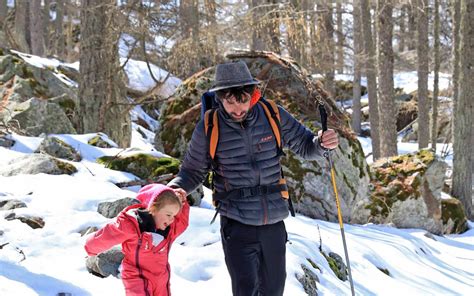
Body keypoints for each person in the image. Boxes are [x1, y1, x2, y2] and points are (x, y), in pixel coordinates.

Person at [167, 60, 339, 296]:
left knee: (273, 291)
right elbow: (192, 171)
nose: (238, 109)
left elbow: (305, 146)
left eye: (243, 101)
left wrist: (321, 143)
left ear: (252, 94)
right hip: (237, 224)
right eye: (230, 102)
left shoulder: (273, 114)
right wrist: (173, 191)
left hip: (274, 224)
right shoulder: (209, 127)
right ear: (219, 98)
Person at [84, 184, 189, 296]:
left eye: (174, 215)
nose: (172, 219)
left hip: (160, 278)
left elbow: (182, 223)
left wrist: (183, 202)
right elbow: (108, 235)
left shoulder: (169, 231)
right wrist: (90, 247)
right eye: (168, 214)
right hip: (136, 276)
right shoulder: (131, 225)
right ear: (153, 208)